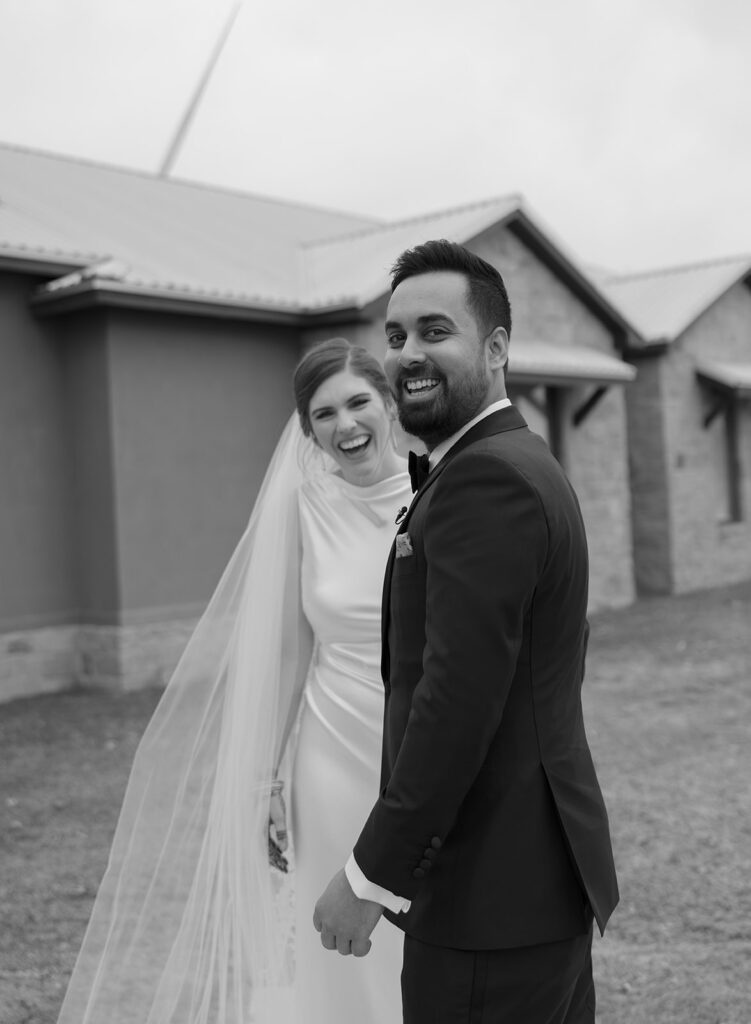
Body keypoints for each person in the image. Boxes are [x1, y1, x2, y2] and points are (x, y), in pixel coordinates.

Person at [55, 337, 412, 1024]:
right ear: (306, 430)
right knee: (341, 941)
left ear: (388, 402)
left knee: (422, 931)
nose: (346, 425)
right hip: (332, 756)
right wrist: (269, 776)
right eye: (324, 412)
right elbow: (288, 650)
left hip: (419, 743)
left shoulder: (440, 492)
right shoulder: (304, 509)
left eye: (358, 402)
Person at [313, 241, 620, 1023]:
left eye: (434, 331)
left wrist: (368, 877)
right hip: (523, 889)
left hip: (492, 893)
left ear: (495, 347)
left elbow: (455, 703)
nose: (407, 353)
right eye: (394, 336)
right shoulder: (504, 461)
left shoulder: (486, 480)